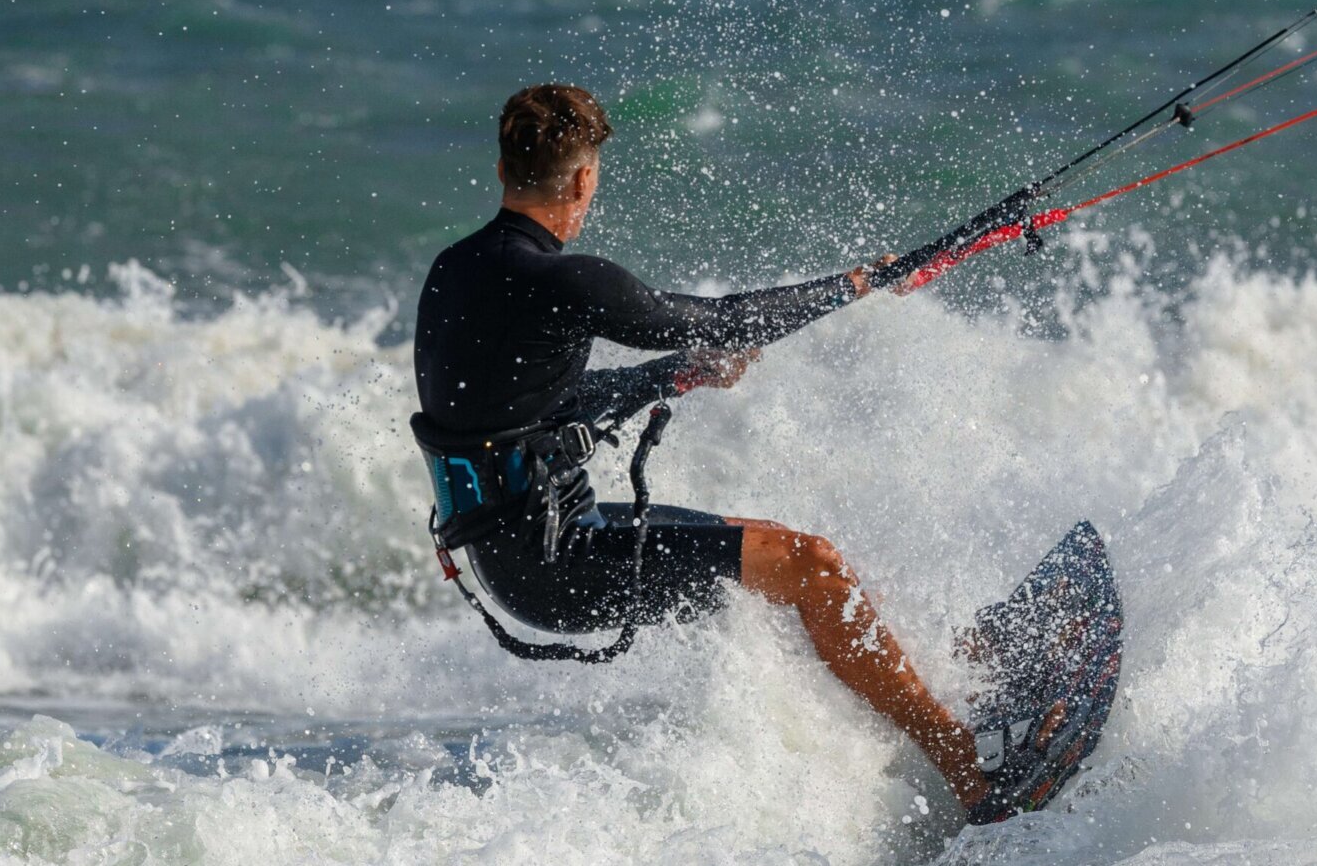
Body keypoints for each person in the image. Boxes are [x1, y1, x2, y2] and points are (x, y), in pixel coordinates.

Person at [412, 83, 994, 814]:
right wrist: (866, 281)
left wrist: (670, 375)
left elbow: (521, 411)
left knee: (775, 555)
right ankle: (967, 764)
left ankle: (943, 700)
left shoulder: (454, 271)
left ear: (502, 170)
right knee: (812, 567)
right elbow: (722, 319)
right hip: (554, 562)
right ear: (586, 177)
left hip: (523, 552)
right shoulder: (568, 280)